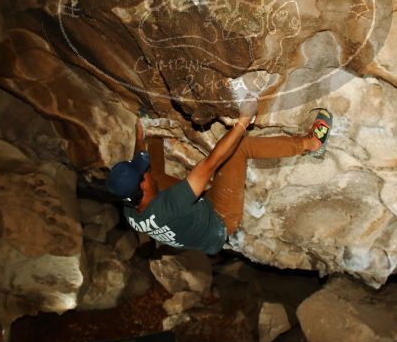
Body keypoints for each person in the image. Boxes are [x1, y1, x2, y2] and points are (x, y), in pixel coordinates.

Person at [106, 101, 332, 254]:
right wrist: (243, 122)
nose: (143, 171)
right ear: (143, 186)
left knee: (155, 173)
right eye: (141, 173)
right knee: (240, 147)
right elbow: (210, 163)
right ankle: (312, 144)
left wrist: (140, 131)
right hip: (221, 221)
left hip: (192, 218)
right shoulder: (171, 203)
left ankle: (152, 127)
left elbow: (141, 169)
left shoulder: (131, 211)